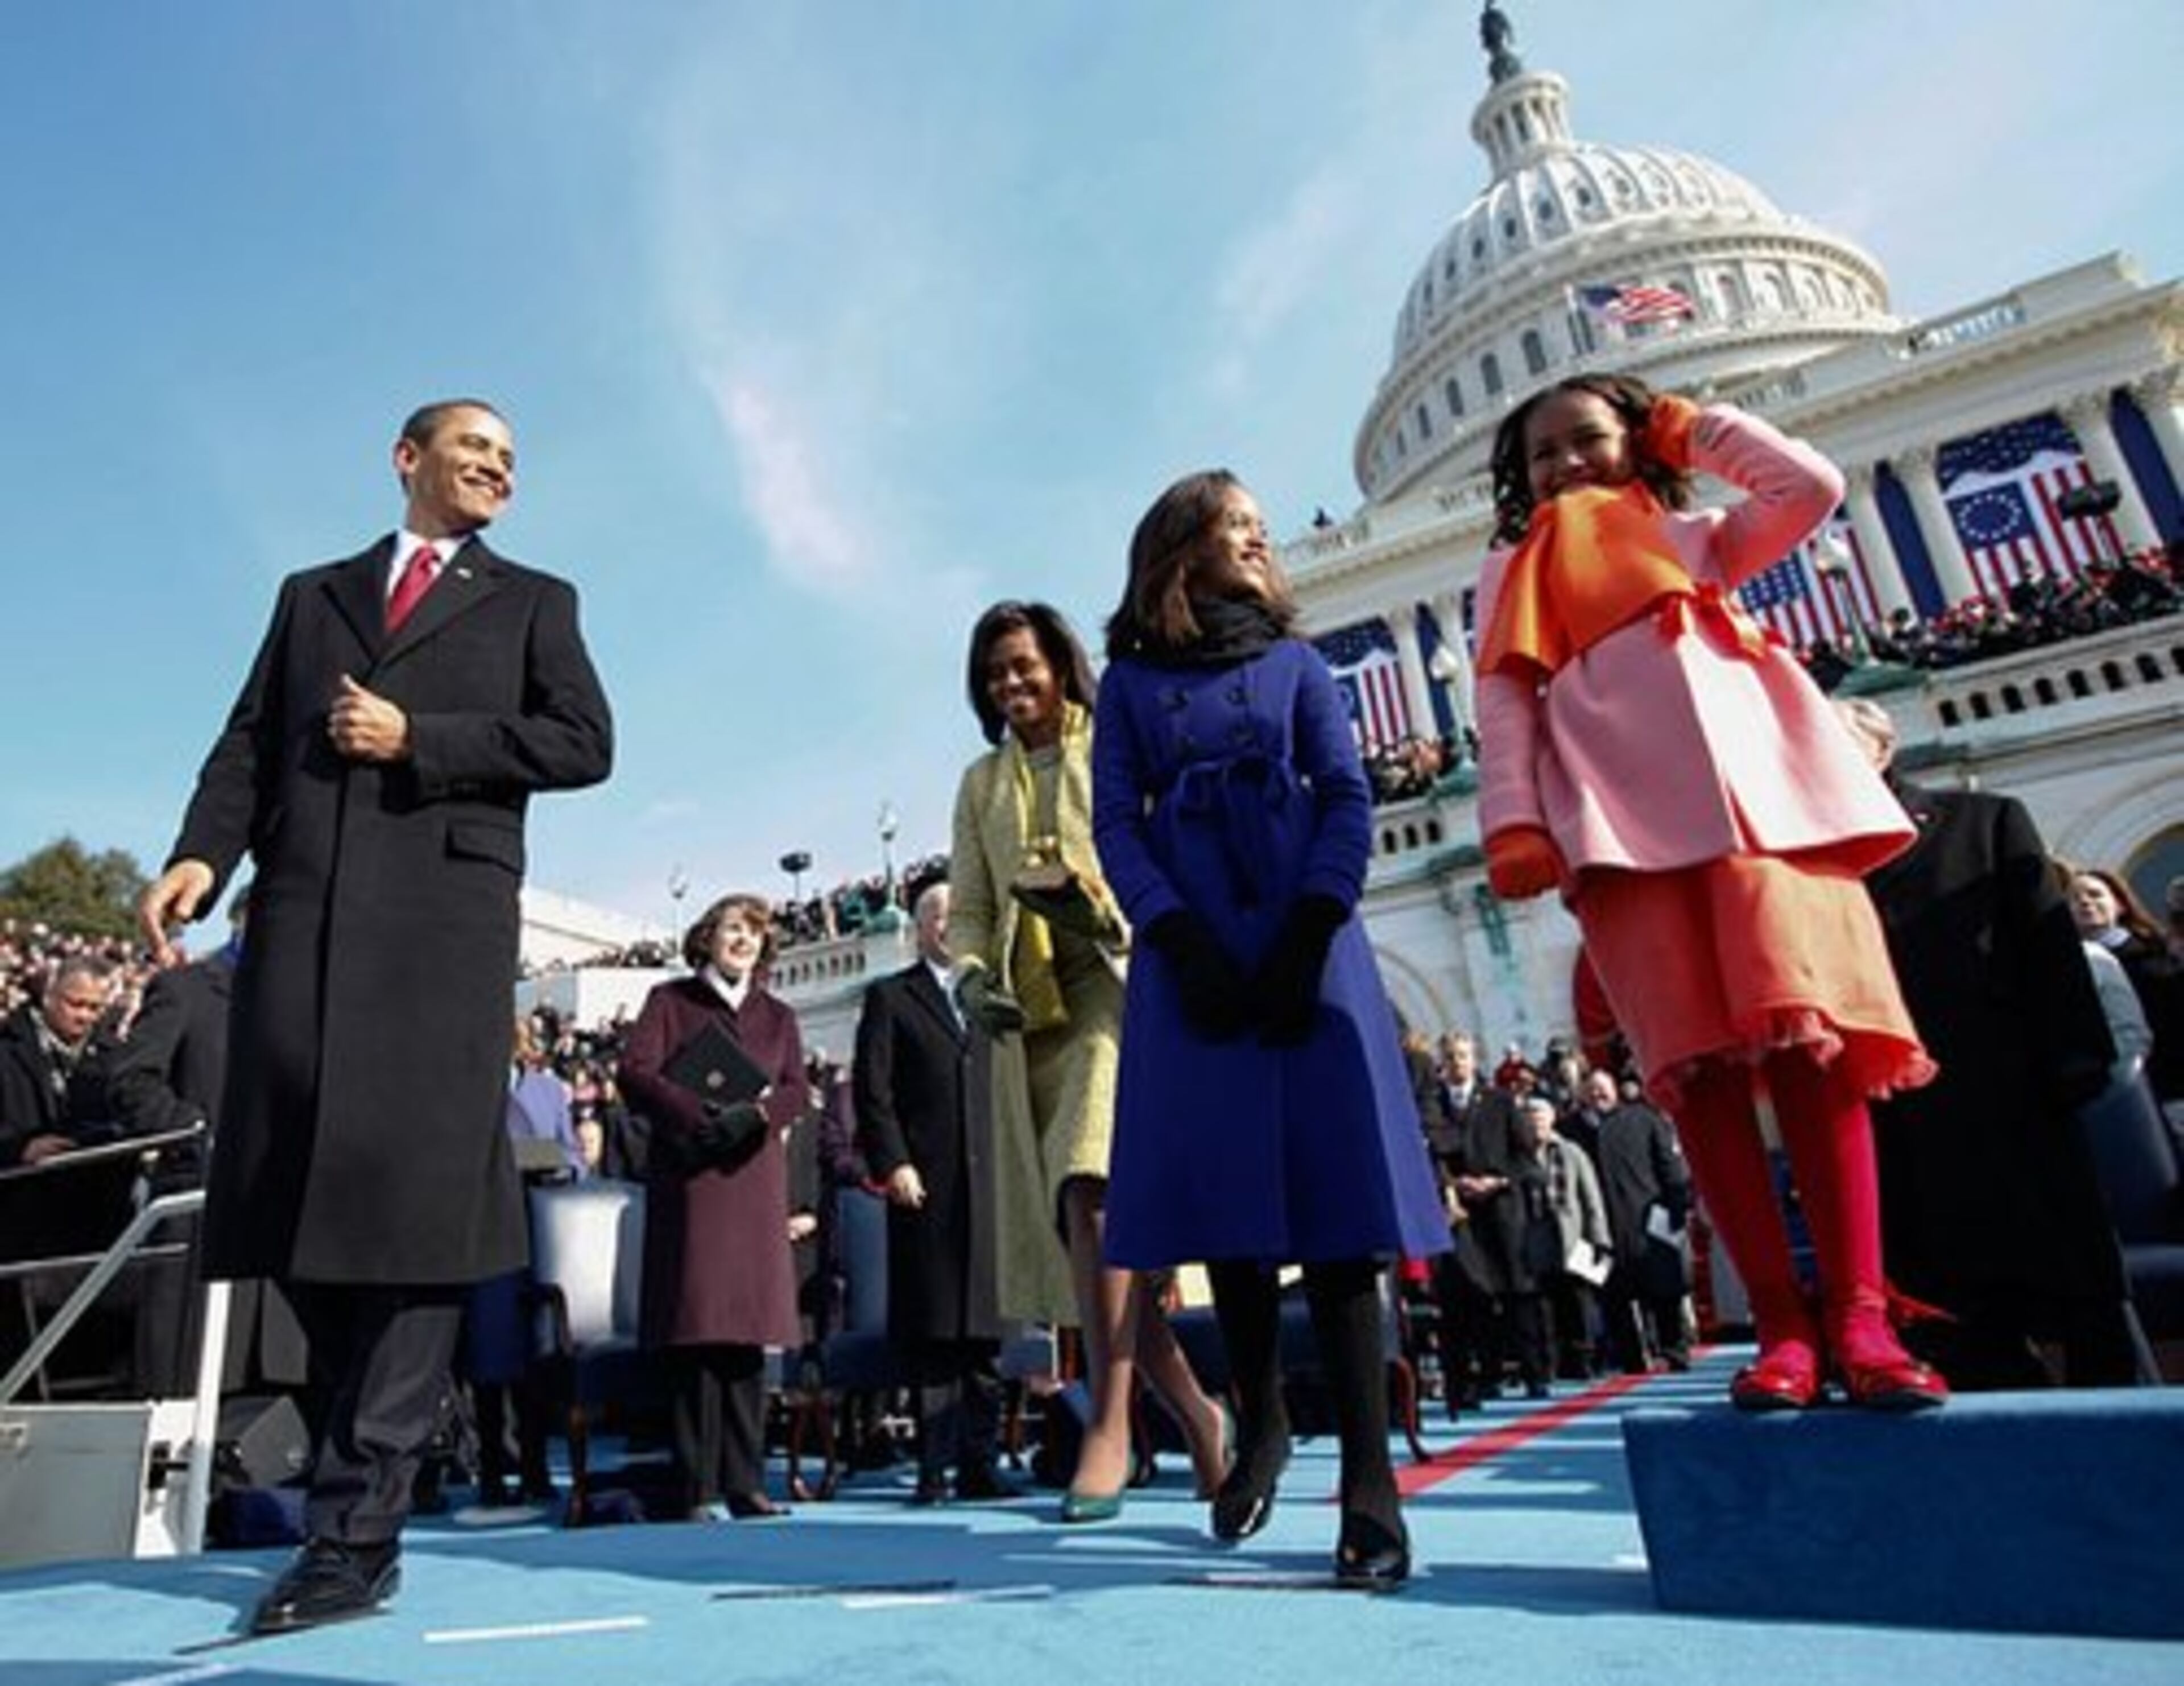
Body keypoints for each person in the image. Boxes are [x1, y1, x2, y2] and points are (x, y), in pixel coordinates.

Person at [136, 398, 613, 1633]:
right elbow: (247, 741)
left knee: (413, 1227)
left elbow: (584, 742)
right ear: (410, 459)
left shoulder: (534, 601)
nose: (500, 467)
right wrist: (201, 857)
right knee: (303, 1217)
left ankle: (355, 1532)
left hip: (441, 943)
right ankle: (369, 1483)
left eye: (513, 456)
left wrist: (422, 739)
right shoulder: (312, 595)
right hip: (300, 927)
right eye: (477, 448)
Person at [1474, 374, 1945, 1413]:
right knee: (1703, 1084)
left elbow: (1810, 485)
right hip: (1621, 833)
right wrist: (1514, 817)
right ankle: (1780, 1324)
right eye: (1542, 454)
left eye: (1589, 440)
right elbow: (1503, 700)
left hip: (1760, 812)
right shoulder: (1511, 573)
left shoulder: (1695, 535)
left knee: (1817, 1057)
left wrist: (1698, 426)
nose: (1565, 466)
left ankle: (1863, 1316)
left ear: (1640, 439)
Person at [1093, 470, 1449, 1588]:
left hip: (1306, 932)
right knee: (1229, 1211)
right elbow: (1115, 823)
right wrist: (1177, 936)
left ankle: (1370, 1488)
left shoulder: (1299, 666)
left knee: (1341, 1216)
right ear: (1178, 550)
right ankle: (1261, 1424)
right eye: (1231, 524)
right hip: (1191, 946)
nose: (1255, 538)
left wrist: (1314, 918)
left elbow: (1345, 792)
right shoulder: (1132, 685)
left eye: (1257, 526)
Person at [948, 600, 1228, 1523]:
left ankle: (1110, 1423)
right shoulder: (979, 782)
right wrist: (974, 972)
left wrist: (1099, 907)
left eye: (1024, 665)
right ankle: (1196, 1412)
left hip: (1119, 991)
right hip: (1030, 1021)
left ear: (1062, 665)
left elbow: (1156, 856)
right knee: (1097, 1241)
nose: (1011, 684)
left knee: (1091, 1188)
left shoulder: (1112, 741)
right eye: (995, 673)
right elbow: (976, 907)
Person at [1826, 705, 2147, 1388]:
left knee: (2089, 1324)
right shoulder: (1808, 863)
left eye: (1829, 737)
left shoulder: (1985, 823)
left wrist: (2071, 1070)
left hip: (2015, 1107)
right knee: (1961, 1340)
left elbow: (2050, 955)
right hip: (1901, 1132)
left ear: (1882, 747)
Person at [618, 892, 806, 1522]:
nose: (743, 940)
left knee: (747, 1342)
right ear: (707, 937)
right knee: (698, 1340)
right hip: (694, 1180)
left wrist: (753, 1116)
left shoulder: (777, 1015)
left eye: (754, 931)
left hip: (754, 1182)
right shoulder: (670, 1002)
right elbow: (636, 1074)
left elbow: (798, 1089)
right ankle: (696, 1485)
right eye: (733, 929)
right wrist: (701, 1117)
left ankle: (746, 1483)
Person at [852, 879, 1017, 1505]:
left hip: (992, 1187)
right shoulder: (892, 998)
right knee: (934, 1335)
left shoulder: (992, 996)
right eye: (939, 915)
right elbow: (875, 1092)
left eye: (959, 914)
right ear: (920, 927)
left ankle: (981, 1463)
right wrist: (894, 1162)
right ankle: (932, 1467)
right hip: (926, 1186)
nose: (950, 924)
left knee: (983, 1338)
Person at [1588, 1070, 1694, 1375]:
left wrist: (1677, 1206)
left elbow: (1670, 1166)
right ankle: (1631, 1358)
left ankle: (1674, 1350)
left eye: (1602, 1089)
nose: (1597, 1095)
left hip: (1650, 1217)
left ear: (1615, 1090)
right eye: (1591, 1090)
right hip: (1605, 1226)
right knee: (1615, 1297)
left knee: (1664, 1290)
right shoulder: (1576, 1128)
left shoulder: (1644, 1119)